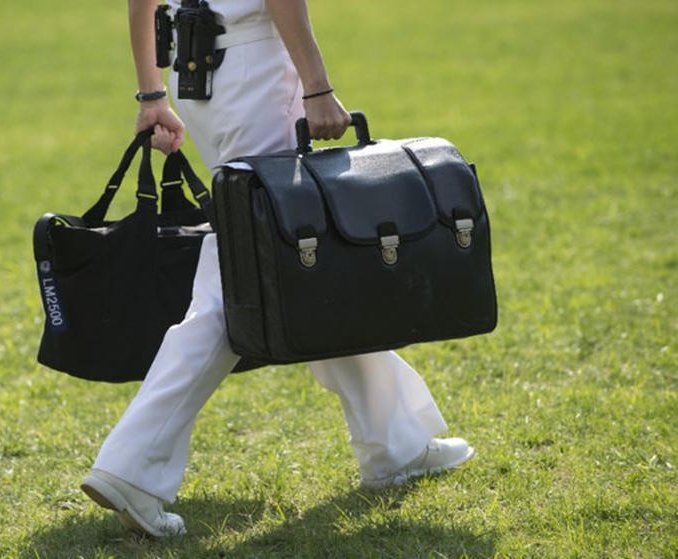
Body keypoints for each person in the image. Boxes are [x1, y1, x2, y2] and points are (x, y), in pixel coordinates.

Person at [81, 0, 474, 538]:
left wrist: (152, 92)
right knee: (248, 272)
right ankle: (132, 468)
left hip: (198, 78)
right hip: (255, 71)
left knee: (305, 256)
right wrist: (317, 86)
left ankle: (395, 442)